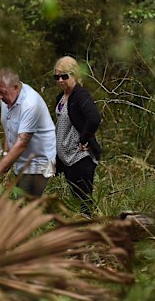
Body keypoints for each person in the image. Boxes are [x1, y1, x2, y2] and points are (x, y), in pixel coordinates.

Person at [0, 68, 56, 197]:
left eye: (2, 93)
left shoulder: (30, 104)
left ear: (15, 87)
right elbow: (9, 128)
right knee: (20, 203)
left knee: (23, 206)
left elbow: (22, 143)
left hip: (38, 164)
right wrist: (6, 157)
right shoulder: (7, 98)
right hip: (20, 162)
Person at [53, 56, 102, 216]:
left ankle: (90, 234)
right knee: (75, 200)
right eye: (57, 77)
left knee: (84, 202)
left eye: (64, 76)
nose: (60, 80)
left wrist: (84, 139)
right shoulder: (61, 98)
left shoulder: (80, 95)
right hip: (67, 159)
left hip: (80, 158)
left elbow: (94, 118)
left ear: (74, 75)